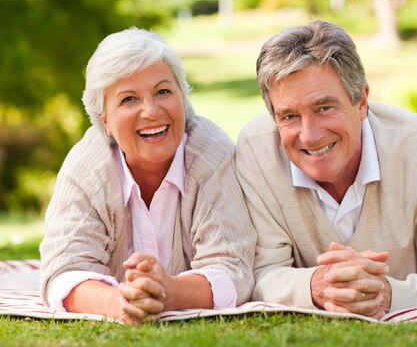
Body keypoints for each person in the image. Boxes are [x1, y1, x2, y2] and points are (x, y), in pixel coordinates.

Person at [40, 27, 255, 324]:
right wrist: (119, 303)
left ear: (183, 98)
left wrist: (169, 291)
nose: (151, 111)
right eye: (129, 99)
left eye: (163, 92)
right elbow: (64, 271)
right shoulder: (86, 167)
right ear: (105, 121)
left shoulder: (212, 155)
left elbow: (234, 270)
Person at [236, 19, 417, 320]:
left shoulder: (412, 146)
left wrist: (387, 293)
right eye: (290, 116)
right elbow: (262, 272)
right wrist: (319, 286)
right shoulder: (256, 150)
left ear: (361, 101)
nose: (310, 135)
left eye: (324, 108)